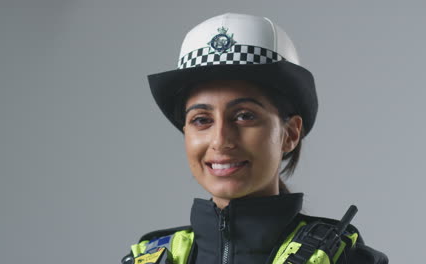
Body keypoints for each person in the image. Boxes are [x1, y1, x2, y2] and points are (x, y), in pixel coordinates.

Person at [122, 13, 388, 264]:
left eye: (244, 116)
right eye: (202, 120)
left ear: (291, 133)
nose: (220, 140)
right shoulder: (150, 255)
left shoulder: (345, 258)